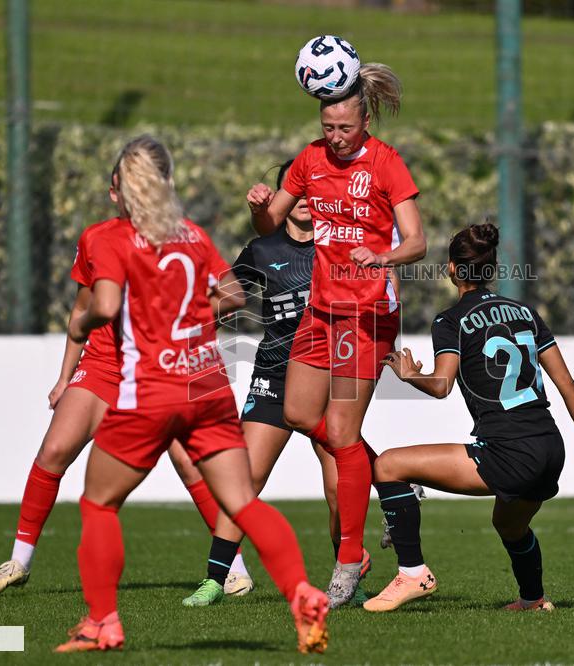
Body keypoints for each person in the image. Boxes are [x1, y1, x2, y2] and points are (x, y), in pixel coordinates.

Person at [53, 136, 328, 653]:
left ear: (121, 190)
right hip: (204, 385)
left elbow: (106, 305)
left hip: (149, 391)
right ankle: (301, 593)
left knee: (99, 503)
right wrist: (194, 315)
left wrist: (81, 318)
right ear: (169, 184)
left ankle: (102, 623)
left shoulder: (105, 237)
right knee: (242, 500)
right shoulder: (193, 236)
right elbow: (235, 295)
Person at [0, 160, 251, 596]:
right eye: (126, 187)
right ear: (114, 194)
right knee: (54, 449)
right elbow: (82, 309)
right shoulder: (99, 238)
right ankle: (19, 561)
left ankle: (233, 567)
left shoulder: (184, 236)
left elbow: (234, 294)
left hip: (162, 368)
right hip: (104, 364)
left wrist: (187, 320)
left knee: (188, 462)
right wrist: (64, 377)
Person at [247, 63, 427, 607]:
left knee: (342, 433)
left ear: (363, 119)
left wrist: (384, 254)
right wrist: (259, 207)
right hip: (322, 311)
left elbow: (417, 242)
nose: (336, 137)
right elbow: (269, 225)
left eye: (344, 128)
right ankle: (390, 479)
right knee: (300, 414)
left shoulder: (387, 163)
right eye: (328, 128)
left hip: (367, 314)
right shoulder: (308, 159)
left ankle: (350, 559)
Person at [362, 223, 574, 613]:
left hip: (508, 451)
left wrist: (409, 375)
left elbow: (443, 385)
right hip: (550, 447)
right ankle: (533, 599)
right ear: (491, 269)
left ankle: (413, 572)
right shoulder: (525, 312)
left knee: (389, 465)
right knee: (509, 525)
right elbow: (567, 383)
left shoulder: (451, 321)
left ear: (452, 270)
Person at [181, 159, 354, 606]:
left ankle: (345, 577)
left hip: (332, 378)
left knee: (338, 486)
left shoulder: (339, 248)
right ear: (282, 199)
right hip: (275, 376)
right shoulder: (262, 250)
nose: (303, 201)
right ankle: (216, 579)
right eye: (292, 193)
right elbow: (226, 301)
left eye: (311, 191)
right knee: (244, 480)